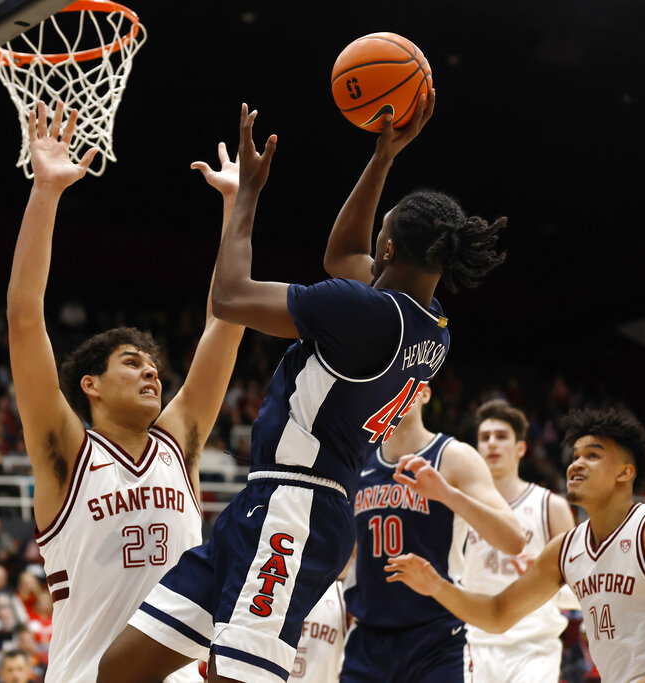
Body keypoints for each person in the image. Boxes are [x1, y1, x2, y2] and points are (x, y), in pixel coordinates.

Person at [102, 92, 507, 682]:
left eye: (383, 234)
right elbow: (344, 252)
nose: (372, 244)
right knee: (120, 670)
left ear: (388, 249)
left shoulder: (364, 314)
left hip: (297, 510)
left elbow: (229, 297)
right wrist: (382, 157)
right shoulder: (431, 325)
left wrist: (247, 198)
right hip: (270, 501)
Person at [6, 101, 244, 682]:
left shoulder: (176, 444)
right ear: (90, 385)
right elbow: (23, 320)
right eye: (131, 363)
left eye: (154, 365)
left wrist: (237, 206)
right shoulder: (67, 454)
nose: (151, 373)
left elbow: (227, 317)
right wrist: (47, 192)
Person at [386, 408, 645, 682]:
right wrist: (435, 584)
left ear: (625, 472)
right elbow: (498, 613)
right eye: (575, 456)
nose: (576, 464)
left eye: (592, 456)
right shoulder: (565, 550)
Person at [340, 387, 525, 681]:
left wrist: (448, 494)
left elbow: (514, 540)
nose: (392, 391)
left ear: (424, 394)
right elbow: (348, 551)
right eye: (387, 384)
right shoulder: (356, 461)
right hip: (368, 639)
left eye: (403, 383)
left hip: (435, 640)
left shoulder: (454, 456)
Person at [460, 399, 577, 682]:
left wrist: (543, 578)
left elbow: (579, 588)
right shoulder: (461, 506)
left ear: (520, 448)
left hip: (534, 648)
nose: (492, 444)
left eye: (501, 437)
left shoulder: (551, 506)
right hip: (475, 644)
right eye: (484, 438)